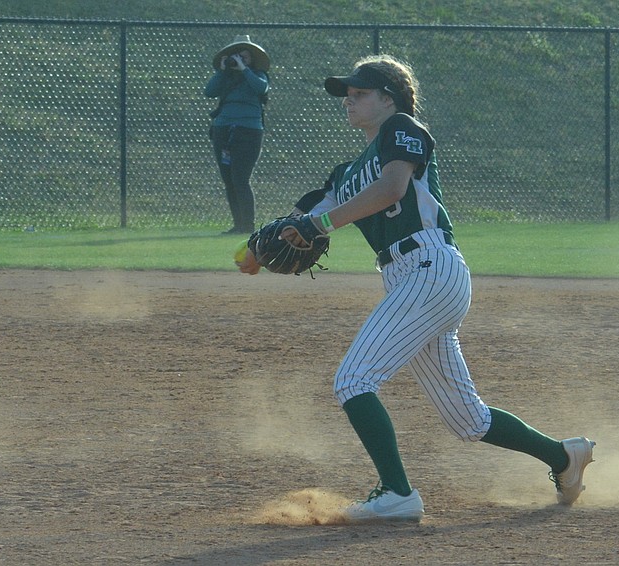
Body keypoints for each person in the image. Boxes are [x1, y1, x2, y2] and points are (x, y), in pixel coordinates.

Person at [238, 55, 595, 522]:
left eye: (360, 92)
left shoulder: (402, 129)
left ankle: (396, 493)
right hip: (408, 279)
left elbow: (389, 189)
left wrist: (318, 222)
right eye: (348, 93)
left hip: (430, 265)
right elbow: (301, 220)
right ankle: (563, 456)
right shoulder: (344, 174)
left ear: (389, 98)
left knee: (353, 380)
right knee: (470, 421)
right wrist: (255, 252)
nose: (350, 99)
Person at [205, 35, 270, 235]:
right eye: (236, 57)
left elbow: (262, 88)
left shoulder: (258, 75)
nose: (239, 60)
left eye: (244, 57)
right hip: (223, 130)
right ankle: (237, 225)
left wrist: (245, 70)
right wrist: (223, 71)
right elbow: (209, 91)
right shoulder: (225, 78)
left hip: (248, 132)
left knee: (240, 178)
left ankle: (247, 226)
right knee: (229, 179)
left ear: (251, 60)